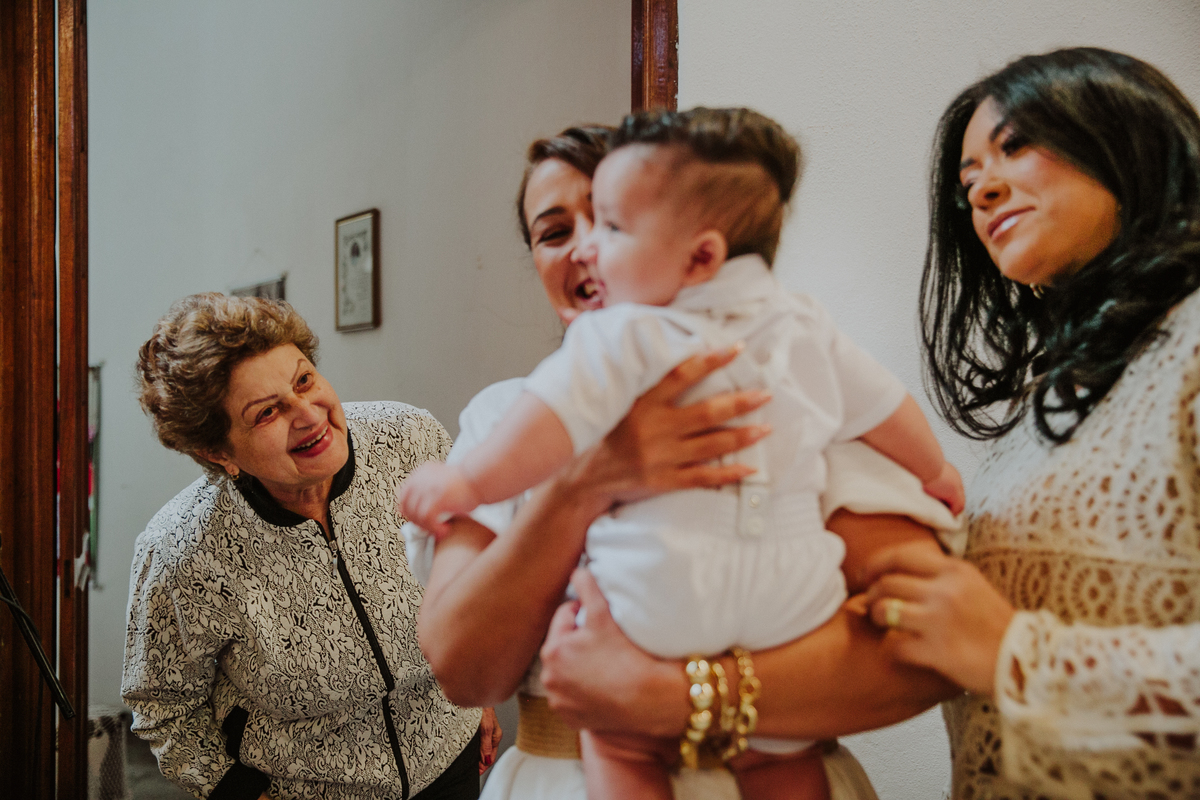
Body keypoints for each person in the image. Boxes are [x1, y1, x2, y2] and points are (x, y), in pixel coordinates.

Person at [399, 107, 963, 800]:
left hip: (772, 753)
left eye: (610, 221)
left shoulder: (786, 384)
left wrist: (676, 696)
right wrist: (585, 482)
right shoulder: (504, 419)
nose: (586, 248)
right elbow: (464, 672)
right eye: (554, 231)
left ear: (704, 244)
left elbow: (928, 649)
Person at [860, 47, 1200, 798]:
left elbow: (1001, 648)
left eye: (1013, 145)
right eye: (968, 180)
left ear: (1125, 137)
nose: (981, 189)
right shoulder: (1054, 399)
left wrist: (1014, 655)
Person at [122, 293, 501, 800]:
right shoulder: (181, 550)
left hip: (450, 762)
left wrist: (477, 695)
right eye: (267, 413)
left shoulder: (411, 440)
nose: (308, 414)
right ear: (218, 451)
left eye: (304, 380)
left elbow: (468, 579)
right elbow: (161, 705)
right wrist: (240, 794)